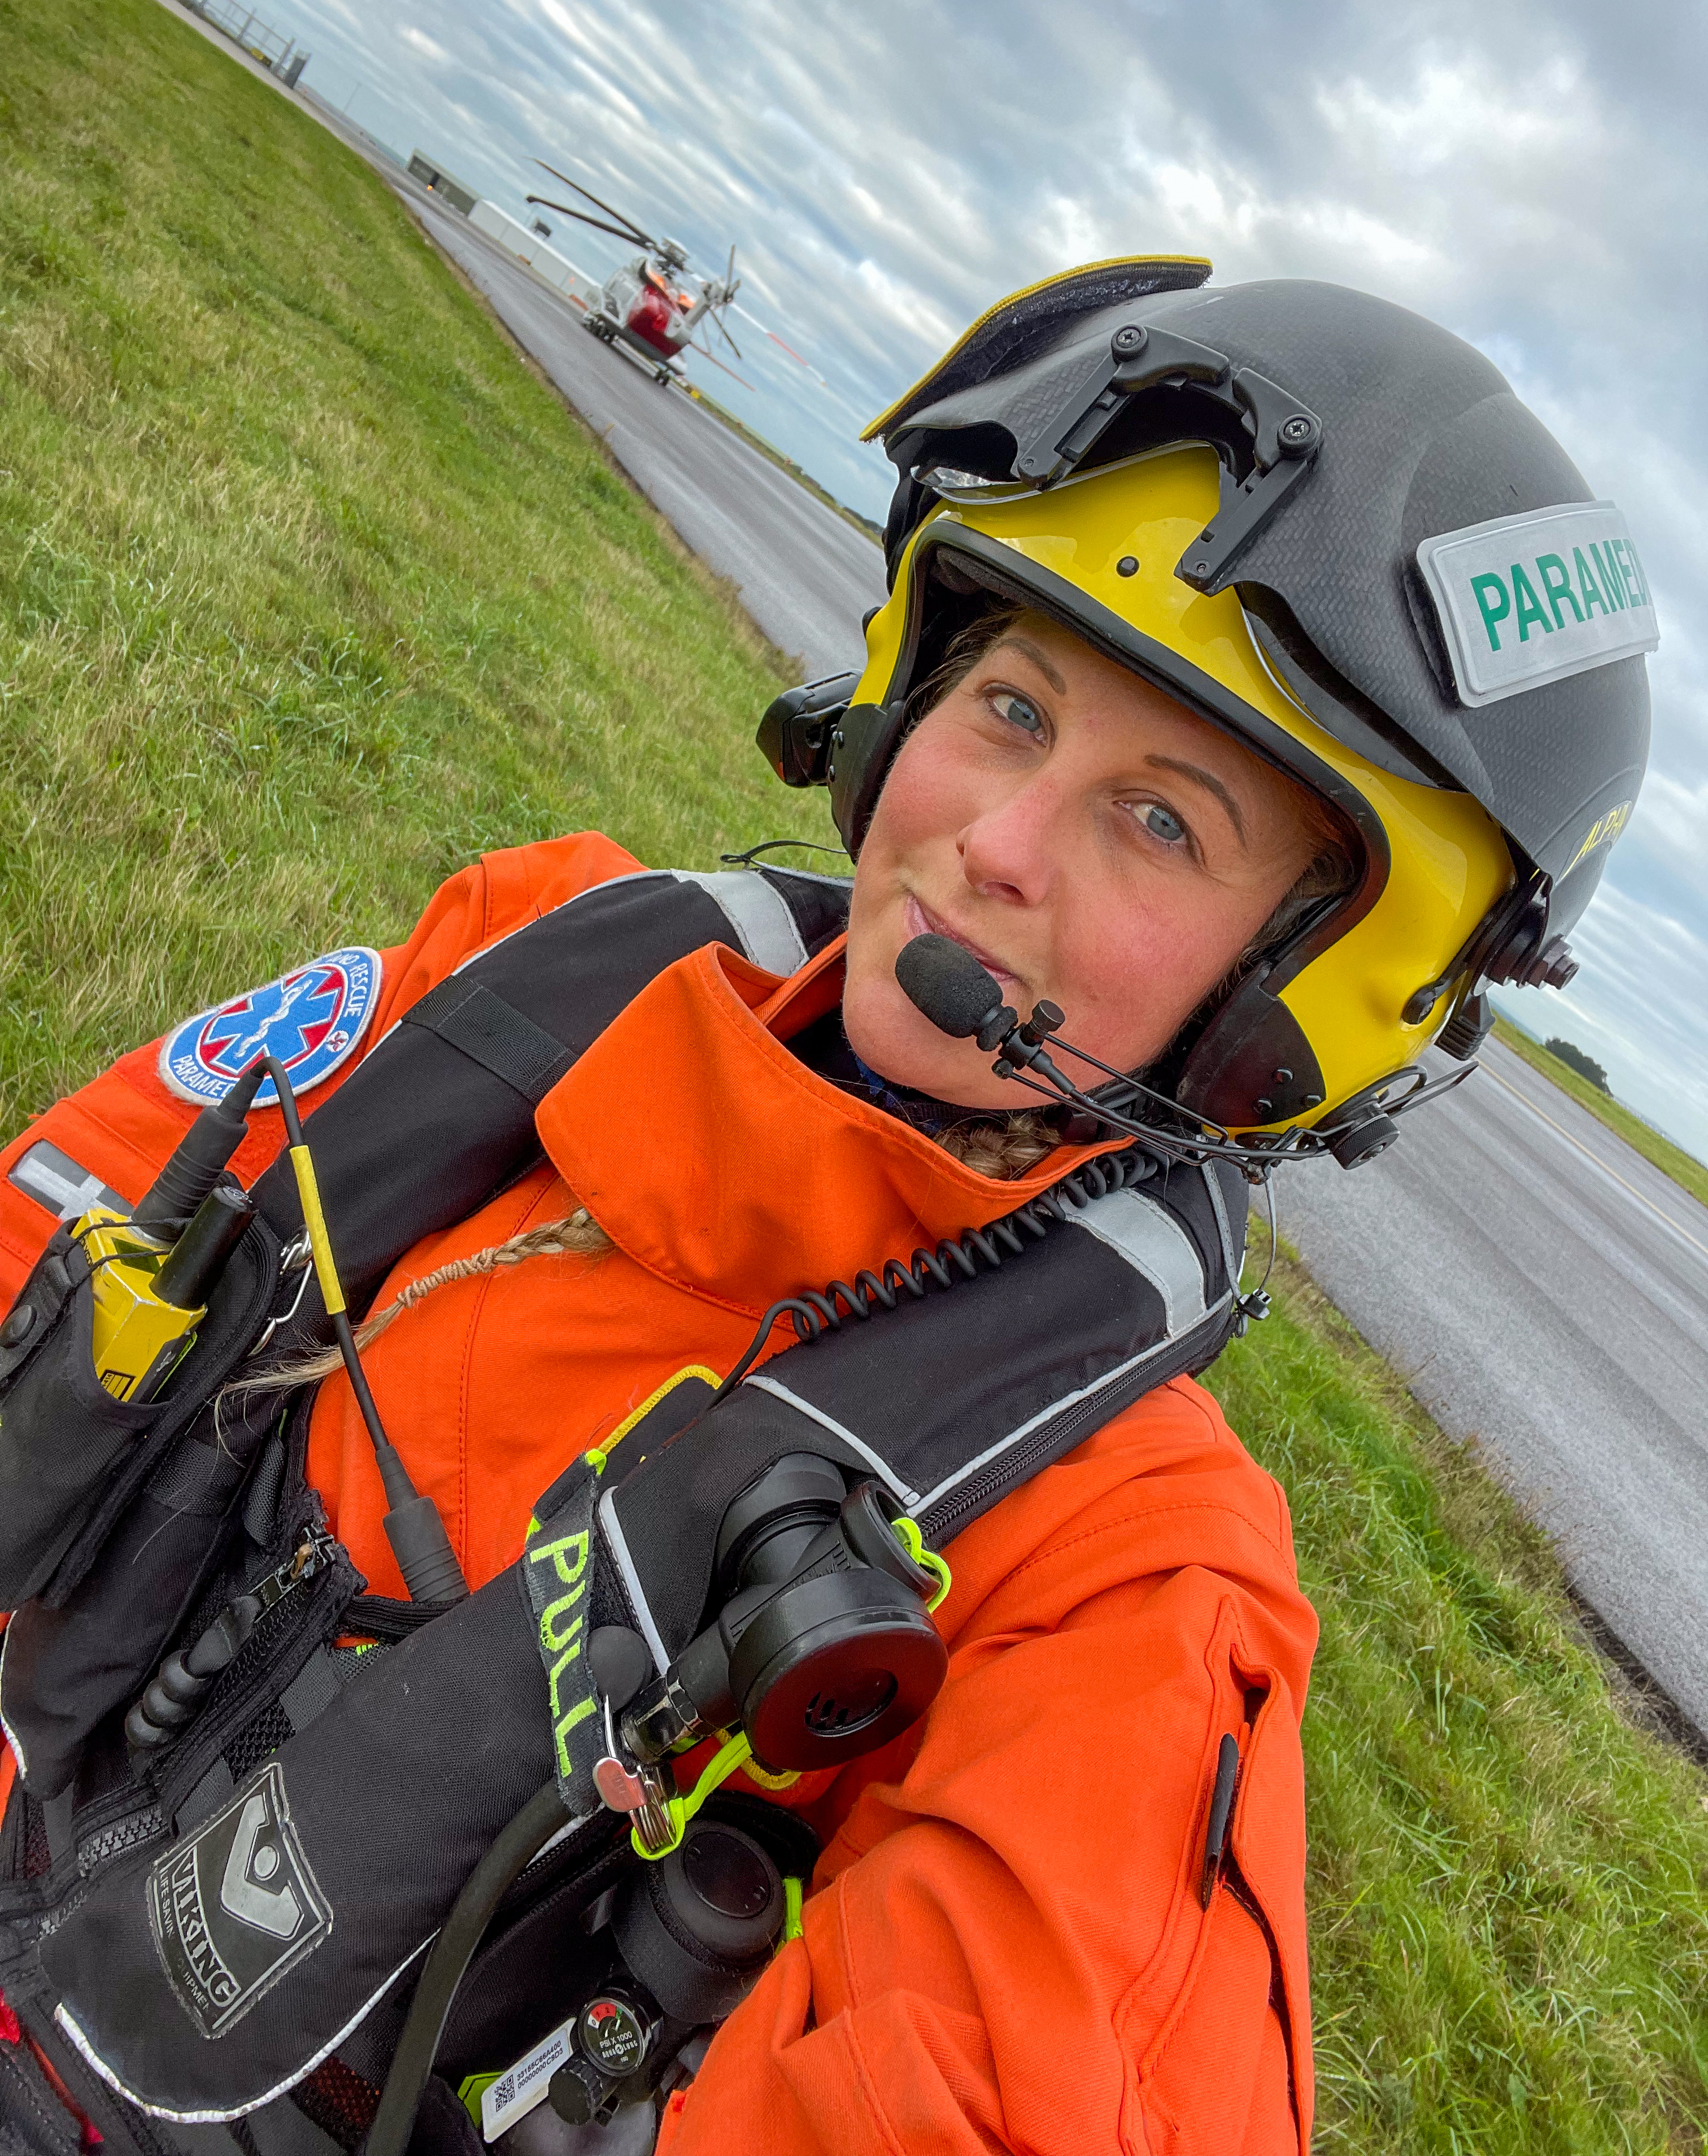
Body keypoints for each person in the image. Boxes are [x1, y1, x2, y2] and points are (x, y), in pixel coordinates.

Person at [0, 260, 1652, 2156]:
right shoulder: (529, 954)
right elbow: (69, 1219)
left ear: (1295, 1007)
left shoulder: (1122, 1582)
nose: (997, 844)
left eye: (1165, 819)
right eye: (1015, 705)